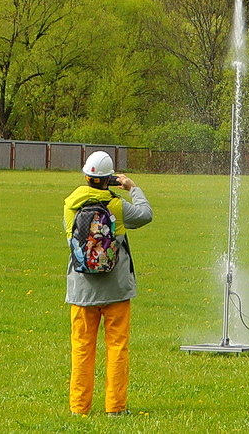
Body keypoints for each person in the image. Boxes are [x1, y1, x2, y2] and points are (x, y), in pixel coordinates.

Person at [62, 149, 151, 415]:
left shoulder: (70, 205)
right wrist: (132, 188)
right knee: (117, 348)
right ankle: (115, 407)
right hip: (116, 290)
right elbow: (145, 215)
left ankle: (79, 407)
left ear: (86, 176)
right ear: (108, 178)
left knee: (82, 349)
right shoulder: (117, 206)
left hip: (82, 290)